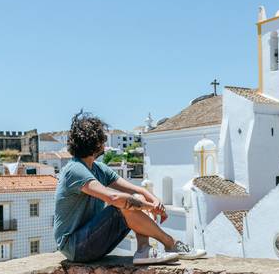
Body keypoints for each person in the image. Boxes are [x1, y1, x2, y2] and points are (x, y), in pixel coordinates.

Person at [53, 111, 205, 264]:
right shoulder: (75, 169)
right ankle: (170, 243)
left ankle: (143, 249)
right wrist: (150, 206)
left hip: (91, 241)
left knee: (136, 199)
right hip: (75, 248)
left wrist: (155, 202)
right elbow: (113, 198)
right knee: (122, 205)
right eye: (102, 139)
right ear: (96, 142)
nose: (104, 144)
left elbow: (138, 190)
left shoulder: (98, 168)